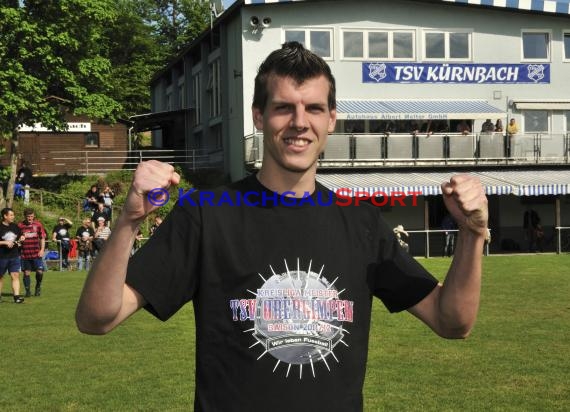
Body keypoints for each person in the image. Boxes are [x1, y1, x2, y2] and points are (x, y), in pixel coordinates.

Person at [76, 42, 488, 411]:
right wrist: (128, 221)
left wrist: (471, 234)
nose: (299, 122)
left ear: (331, 119)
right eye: (283, 107)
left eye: (313, 108)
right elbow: (97, 319)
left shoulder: (361, 222)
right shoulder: (207, 214)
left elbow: (452, 322)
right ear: (259, 116)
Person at [18, 208, 46, 297]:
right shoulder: (20, 226)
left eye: (31, 216)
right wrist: (19, 240)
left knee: (40, 272)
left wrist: (42, 250)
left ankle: (38, 286)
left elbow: (42, 238)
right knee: (26, 273)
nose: (30, 218)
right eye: (28, 216)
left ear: (34, 216)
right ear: (25, 216)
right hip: (25, 254)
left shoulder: (38, 225)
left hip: (36, 253)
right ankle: (27, 291)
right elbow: (17, 239)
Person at [0, 208, 25, 303]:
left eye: (13, 215)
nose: (13, 217)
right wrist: (4, 242)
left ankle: (17, 297)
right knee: (0, 277)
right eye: (11, 215)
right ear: (5, 216)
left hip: (14, 256)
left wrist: (22, 238)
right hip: (2, 257)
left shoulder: (15, 226)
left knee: (15, 275)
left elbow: (20, 237)